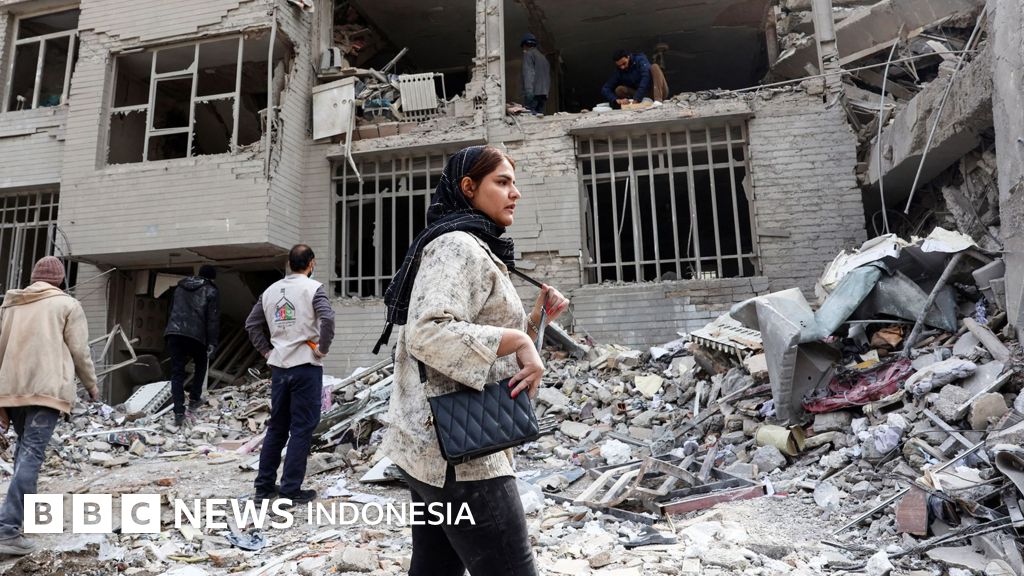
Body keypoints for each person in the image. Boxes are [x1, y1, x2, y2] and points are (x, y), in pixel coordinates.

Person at [374, 146, 569, 576]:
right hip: (464, 456)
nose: (515, 193)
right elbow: (429, 332)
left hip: (434, 449)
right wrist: (518, 338)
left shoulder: (475, 244)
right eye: (502, 182)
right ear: (468, 187)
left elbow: (481, 337)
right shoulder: (456, 245)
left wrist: (534, 321)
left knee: (435, 569)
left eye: (514, 182)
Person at [0, 256, 98, 555]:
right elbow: (80, 351)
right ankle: (7, 530)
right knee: (31, 455)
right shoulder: (67, 305)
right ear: (61, 280)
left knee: (24, 453)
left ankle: (17, 523)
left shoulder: (12, 305)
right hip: (46, 391)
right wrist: (92, 385)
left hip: (12, 390)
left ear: (33, 278)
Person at [245, 245, 335, 505]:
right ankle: (290, 490)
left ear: (289, 264)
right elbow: (328, 319)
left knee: (277, 427)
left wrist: (266, 351)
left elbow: (251, 324)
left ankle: (263, 488)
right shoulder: (313, 288)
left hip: (279, 367)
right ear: (311, 263)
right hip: (305, 366)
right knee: (301, 429)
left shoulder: (270, 291)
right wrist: (322, 349)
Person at [164, 265, 219, 426]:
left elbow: (171, 310)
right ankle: (194, 398)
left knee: (177, 372)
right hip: (196, 334)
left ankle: (178, 412)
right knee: (201, 364)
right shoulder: (211, 290)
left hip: (174, 333)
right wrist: (212, 342)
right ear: (212, 278)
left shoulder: (179, 288)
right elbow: (213, 319)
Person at [601, 49, 670, 107]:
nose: (622, 67)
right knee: (619, 89)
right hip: (643, 97)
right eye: (619, 66)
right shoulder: (619, 71)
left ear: (628, 57)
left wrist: (637, 98)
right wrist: (616, 100)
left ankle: (658, 101)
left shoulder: (640, 59)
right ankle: (632, 104)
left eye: (624, 63)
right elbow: (605, 88)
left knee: (654, 67)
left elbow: (646, 77)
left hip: (657, 92)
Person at [520, 32, 550, 114]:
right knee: (539, 116)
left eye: (523, 47)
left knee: (530, 116)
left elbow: (528, 73)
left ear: (525, 45)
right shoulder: (543, 58)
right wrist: (546, 93)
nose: (523, 49)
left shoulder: (528, 54)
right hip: (543, 94)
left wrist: (528, 92)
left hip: (533, 93)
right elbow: (547, 77)